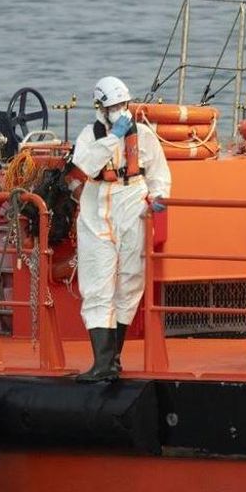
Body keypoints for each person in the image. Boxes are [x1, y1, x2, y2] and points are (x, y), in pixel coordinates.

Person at [71, 76, 171, 383]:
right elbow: (85, 167)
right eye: (114, 106)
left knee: (131, 278)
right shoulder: (89, 136)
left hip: (133, 201)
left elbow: (158, 171)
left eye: (124, 105)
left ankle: (113, 359)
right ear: (101, 108)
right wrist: (113, 137)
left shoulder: (145, 135)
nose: (121, 111)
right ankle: (102, 362)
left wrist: (158, 196)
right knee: (97, 282)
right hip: (96, 206)